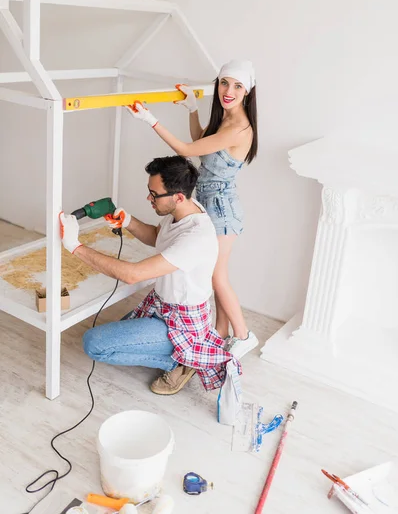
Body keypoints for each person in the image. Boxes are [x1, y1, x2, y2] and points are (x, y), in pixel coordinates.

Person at [59, 155, 240, 395]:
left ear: (177, 196)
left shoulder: (196, 237)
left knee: (95, 344)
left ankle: (185, 361)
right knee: (120, 332)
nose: (148, 198)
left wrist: (75, 246)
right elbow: (158, 236)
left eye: (154, 194)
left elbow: (133, 275)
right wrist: (128, 221)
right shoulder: (182, 211)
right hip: (162, 306)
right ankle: (179, 352)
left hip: (183, 322)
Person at [125, 60, 259, 359]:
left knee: (217, 278)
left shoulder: (238, 127)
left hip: (222, 210)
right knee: (217, 274)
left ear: (248, 92)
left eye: (237, 86)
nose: (228, 91)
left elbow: (186, 150)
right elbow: (200, 142)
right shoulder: (226, 119)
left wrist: (150, 119)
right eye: (225, 83)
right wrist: (192, 109)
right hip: (212, 204)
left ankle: (244, 335)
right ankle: (221, 334)